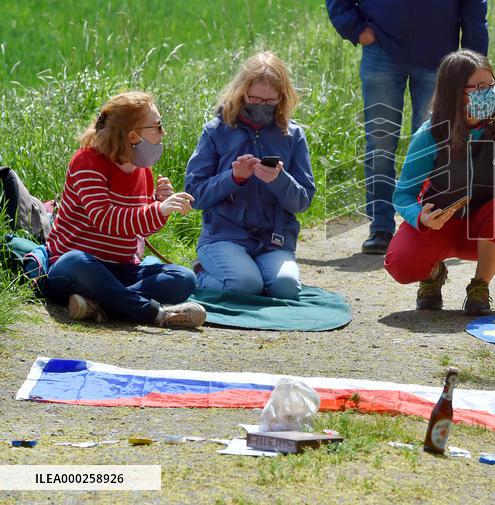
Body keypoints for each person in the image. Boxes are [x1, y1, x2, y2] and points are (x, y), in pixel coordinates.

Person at [323, 0, 488, 257]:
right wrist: (358, 31)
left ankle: (426, 223)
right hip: (382, 54)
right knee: (379, 141)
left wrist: (474, 61)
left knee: (434, 143)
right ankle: (380, 227)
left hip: (441, 60)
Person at [384, 51, 495, 315]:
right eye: (477, 88)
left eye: (491, 86)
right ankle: (432, 275)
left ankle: (480, 287)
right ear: (454, 92)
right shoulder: (430, 134)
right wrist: (421, 217)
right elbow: (403, 194)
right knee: (400, 263)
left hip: (482, 229)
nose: (487, 93)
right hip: (438, 225)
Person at [43, 92, 205, 328]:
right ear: (132, 135)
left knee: (184, 278)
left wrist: (159, 205)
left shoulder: (143, 170)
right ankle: (153, 313)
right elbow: (105, 219)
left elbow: (140, 228)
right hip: (76, 268)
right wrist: (158, 209)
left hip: (122, 269)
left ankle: (100, 304)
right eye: (158, 126)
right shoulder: (87, 162)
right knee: (76, 261)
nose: (163, 133)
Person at [185, 52, 315, 300]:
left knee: (286, 288)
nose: (260, 105)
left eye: (269, 101)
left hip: (273, 240)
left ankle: (253, 275)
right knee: (244, 285)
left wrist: (280, 180)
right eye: (254, 98)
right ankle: (200, 273)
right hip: (224, 236)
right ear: (241, 93)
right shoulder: (216, 130)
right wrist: (233, 178)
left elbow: (303, 201)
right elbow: (194, 194)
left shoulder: (293, 134)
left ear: (282, 98)